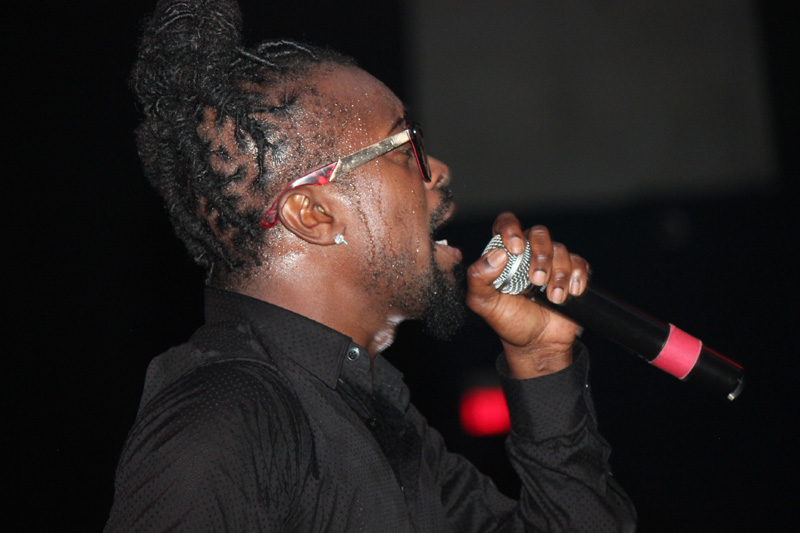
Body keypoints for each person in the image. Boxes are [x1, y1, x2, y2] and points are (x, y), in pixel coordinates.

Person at [105, 0, 636, 530]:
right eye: (406, 148)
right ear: (313, 214)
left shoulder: (373, 414)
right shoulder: (224, 416)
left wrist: (540, 360)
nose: (437, 170)